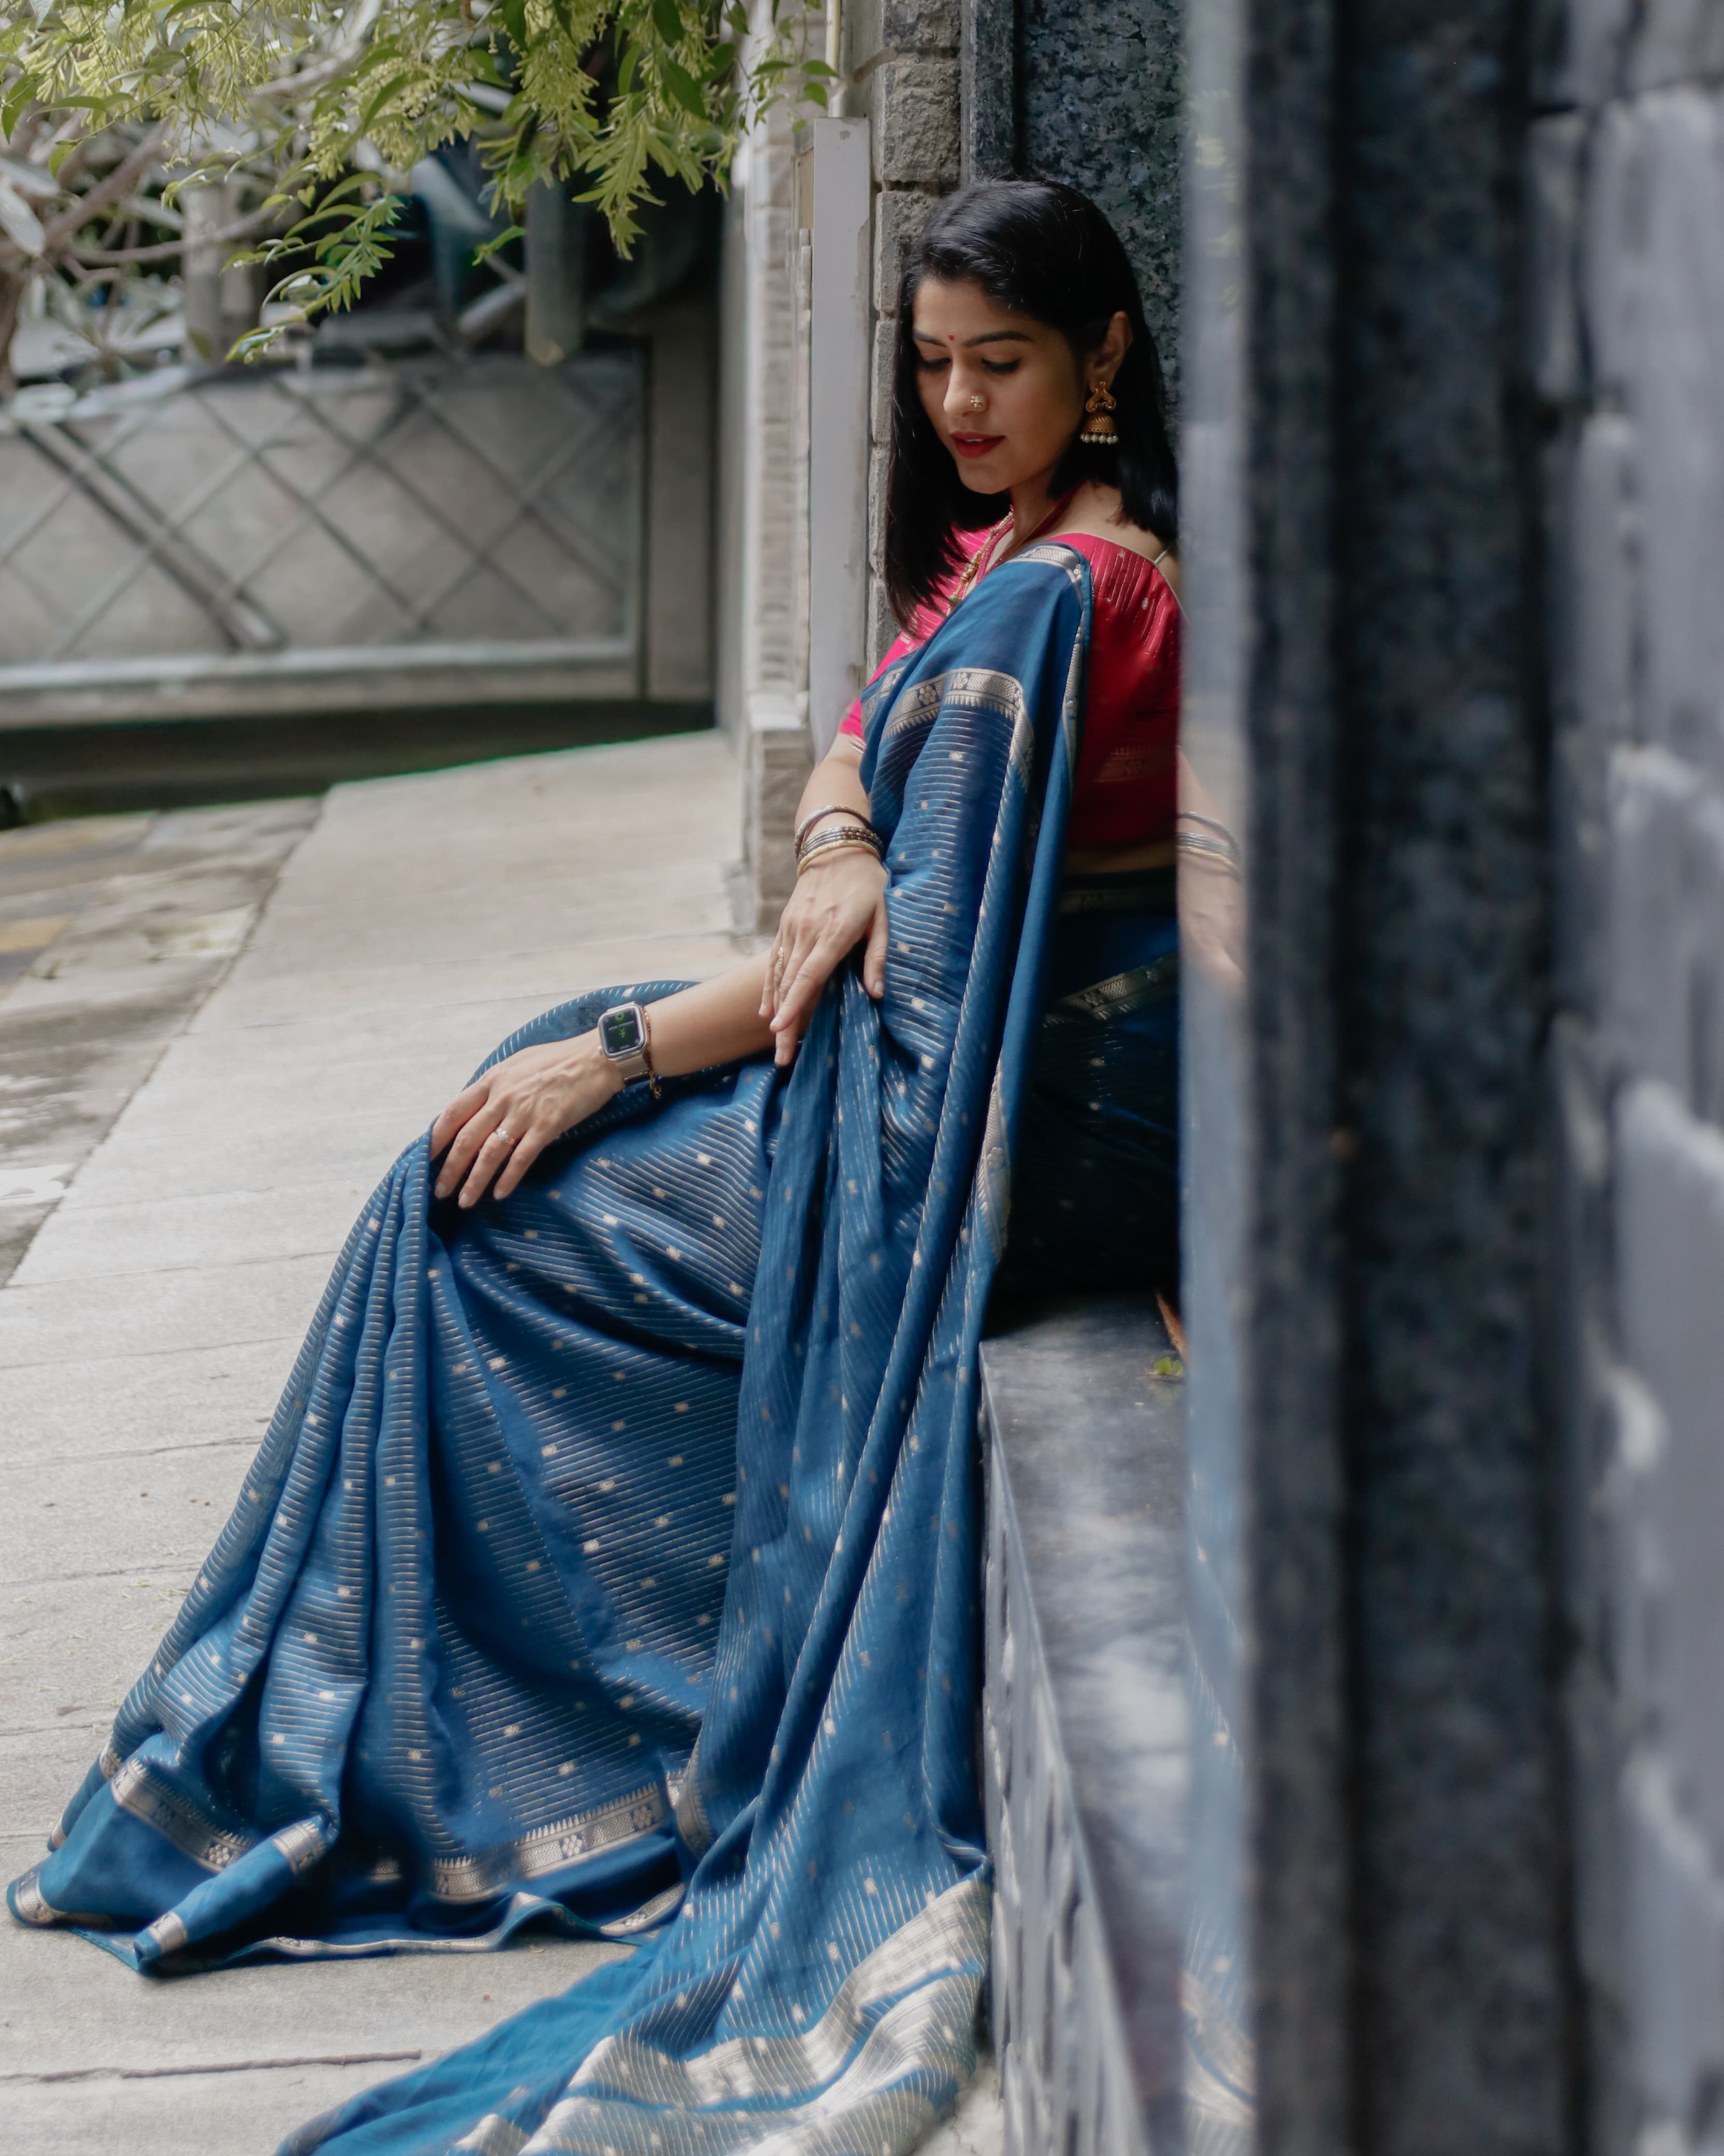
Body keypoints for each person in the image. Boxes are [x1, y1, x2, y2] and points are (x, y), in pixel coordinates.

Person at [8, 178, 1183, 2156]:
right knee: (484, 1137)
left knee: (481, 1214)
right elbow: (853, 740)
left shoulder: (1073, 600)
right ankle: (369, 1744)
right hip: (982, 1056)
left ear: (1107, 354)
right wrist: (839, 836)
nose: (960, 406)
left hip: (1020, 1116)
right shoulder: (1013, 549)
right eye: (930, 366)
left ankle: (454, 1770)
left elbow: (916, 993)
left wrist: (620, 1052)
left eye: (1002, 364)